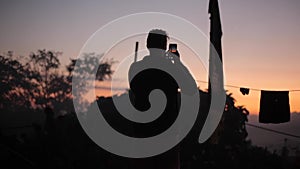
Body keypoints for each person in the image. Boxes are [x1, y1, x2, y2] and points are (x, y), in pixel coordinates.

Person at [128, 29, 194, 169]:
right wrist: (178, 63)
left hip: (142, 134)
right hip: (167, 135)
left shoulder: (136, 68)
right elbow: (191, 88)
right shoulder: (171, 69)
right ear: (165, 47)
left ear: (147, 45)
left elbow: (134, 88)